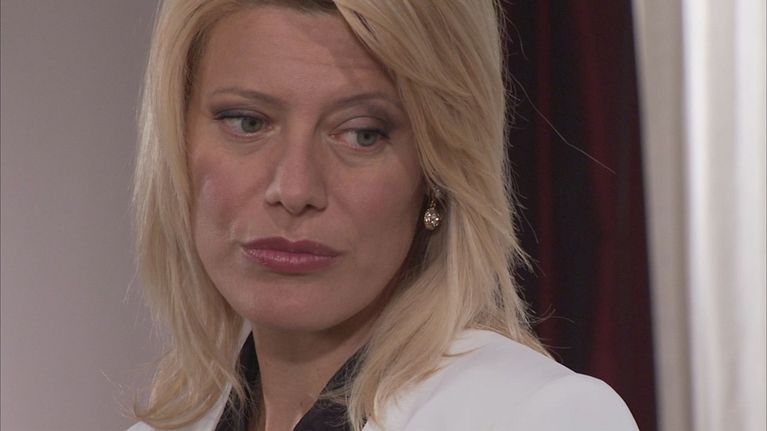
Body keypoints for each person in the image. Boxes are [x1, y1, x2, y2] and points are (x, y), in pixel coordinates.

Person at [128, 0, 639, 430]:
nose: (295, 189)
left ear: (437, 173)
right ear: (177, 144)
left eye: (362, 133)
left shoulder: (537, 416)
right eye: (246, 122)